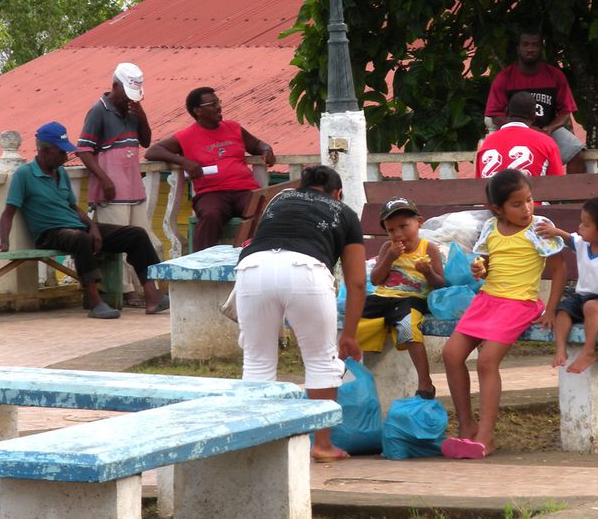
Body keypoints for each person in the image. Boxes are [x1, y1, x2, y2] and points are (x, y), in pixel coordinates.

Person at [233, 165, 366, 463]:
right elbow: (357, 281)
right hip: (306, 271)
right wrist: (349, 335)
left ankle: (259, 445)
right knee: (320, 359)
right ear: (338, 193)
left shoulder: (279, 199)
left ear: (301, 186)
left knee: (257, 360)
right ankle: (322, 445)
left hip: (253, 269)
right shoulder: (343, 211)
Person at [0, 121, 169, 319]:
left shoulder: (60, 173)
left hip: (78, 227)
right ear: (45, 150)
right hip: (50, 232)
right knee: (81, 239)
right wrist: (4, 242)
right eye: (61, 152)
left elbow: (72, 207)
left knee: (136, 234)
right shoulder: (24, 175)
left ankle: (152, 295)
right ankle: (94, 301)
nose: (65, 157)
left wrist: (92, 226)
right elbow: (8, 212)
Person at [441, 169, 565, 459]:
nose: (526, 209)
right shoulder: (491, 229)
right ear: (497, 209)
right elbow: (486, 264)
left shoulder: (539, 228)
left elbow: (559, 269)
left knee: (486, 361)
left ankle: (486, 436)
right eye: (517, 204)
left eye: (530, 200)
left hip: (519, 304)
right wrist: (479, 269)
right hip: (487, 301)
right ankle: (467, 426)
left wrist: (550, 308)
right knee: (451, 354)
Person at [145, 87, 276, 251]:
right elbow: (152, 151)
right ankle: (202, 262)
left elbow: (257, 144)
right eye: (213, 104)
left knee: (265, 210)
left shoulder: (233, 127)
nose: (219, 107)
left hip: (245, 189)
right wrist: (184, 161)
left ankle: (262, 254)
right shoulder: (187, 135)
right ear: (198, 111)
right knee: (210, 215)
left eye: (218, 102)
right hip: (212, 192)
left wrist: (266, 150)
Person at [77, 62, 160, 308]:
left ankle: (147, 288)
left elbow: (145, 141)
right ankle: (126, 291)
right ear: (114, 86)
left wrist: (141, 114)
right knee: (120, 242)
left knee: (144, 239)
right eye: (126, 94)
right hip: (112, 190)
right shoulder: (98, 111)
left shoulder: (132, 111)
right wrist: (104, 178)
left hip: (133, 187)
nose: (129, 100)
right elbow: (84, 150)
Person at [356, 197, 445, 399]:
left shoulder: (429, 249)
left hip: (411, 298)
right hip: (383, 297)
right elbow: (376, 279)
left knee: (408, 327)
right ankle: (339, 374)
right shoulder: (388, 248)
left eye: (404, 226)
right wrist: (389, 258)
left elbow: (440, 283)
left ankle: (425, 382)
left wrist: (428, 272)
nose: (398, 234)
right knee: (351, 321)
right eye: (391, 230)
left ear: (419, 222)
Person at [535, 196, 598, 374]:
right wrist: (555, 231)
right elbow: (569, 239)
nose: (580, 227)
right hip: (583, 298)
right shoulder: (584, 243)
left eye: (586, 225)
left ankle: (588, 352)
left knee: (591, 307)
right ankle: (560, 349)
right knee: (563, 309)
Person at [484, 28, 585, 173]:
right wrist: (528, 129)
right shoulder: (504, 78)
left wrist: (549, 129)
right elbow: (495, 115)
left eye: (535, 45)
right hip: (513, 130)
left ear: (541, 48)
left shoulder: (555, 75)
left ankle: (572, 195)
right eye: (525, 44)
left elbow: (565, 112)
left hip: (546, 129)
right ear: (518, 49)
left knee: (576, 153)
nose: (530, 49)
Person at [475, 91, 564, 179]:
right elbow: (556, 184)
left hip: (491, 193)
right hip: (531, 192)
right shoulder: (546, 143)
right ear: (533, 116)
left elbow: (478, 185)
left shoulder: (486, 143)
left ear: (507, 111)